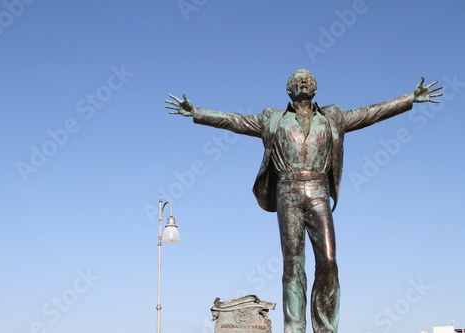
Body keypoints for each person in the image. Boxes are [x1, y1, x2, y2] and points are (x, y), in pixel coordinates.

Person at [165, 69, 442, 333]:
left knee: (329, 260)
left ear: (316, 87)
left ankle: (325, 327)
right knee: (293, 264)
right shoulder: (272, 119)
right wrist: (197, 113)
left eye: (308, 79)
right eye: (297, 79)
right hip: (288, 189)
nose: (303, 82)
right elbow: (235, 121)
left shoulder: (334, 117)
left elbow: (372, 113)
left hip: (319, 189)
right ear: (288, 89)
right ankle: (295, 327)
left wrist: (409, 99)